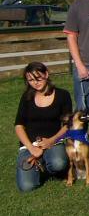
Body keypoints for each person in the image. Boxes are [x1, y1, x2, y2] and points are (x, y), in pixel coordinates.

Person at [14, 62, 72, 192]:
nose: (35, 82)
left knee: (58, 163)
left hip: (54, 142)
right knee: (27, 186)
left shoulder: (63, 95)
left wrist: (52, 140)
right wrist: (32, 148)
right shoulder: (26, 97)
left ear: (46, 74)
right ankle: (39, 164)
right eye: (30, 80)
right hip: (30, 145)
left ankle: (47, 165)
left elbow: (68, 125)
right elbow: (19, 125)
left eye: (38, 78)